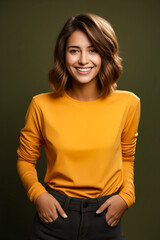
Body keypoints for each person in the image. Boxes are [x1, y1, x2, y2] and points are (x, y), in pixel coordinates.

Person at [17, 13, 141, 240]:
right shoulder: (41, 105)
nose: (84, 59)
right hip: (55, 217)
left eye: (93, 50)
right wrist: (38, 195)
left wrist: (127, 196)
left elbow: (127, 156)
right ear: (63, 56)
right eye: (74, 50)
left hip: (106, 218)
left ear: (106, 54)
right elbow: (25, 159)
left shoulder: (128, 103)